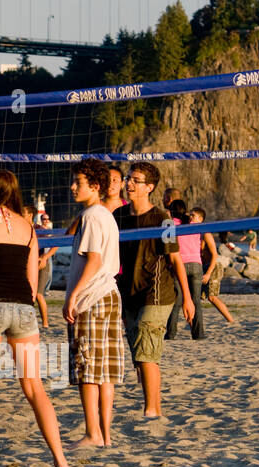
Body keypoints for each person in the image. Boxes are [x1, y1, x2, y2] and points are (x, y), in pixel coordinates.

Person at [0, 171, 70, 467]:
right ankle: (61, 460)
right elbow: (33, 287)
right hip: (23, 309)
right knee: (35, 388)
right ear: (14, 193)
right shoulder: (30, 229)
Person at [115, 162, 193, 419]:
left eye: (135, 180)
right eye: (128, 179)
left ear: (149, 187)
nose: (129, 184)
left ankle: (152, 410)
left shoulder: (163, 219)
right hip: (129, 292)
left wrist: (188, 299)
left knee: (146, 353)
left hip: (157, 293)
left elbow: (175, 260)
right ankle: (152, 405)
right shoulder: (118, 217)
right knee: (140, 356)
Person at [60, 159, 124, 448]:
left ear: (95, 187)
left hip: (93, 298)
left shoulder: (91, 216)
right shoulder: (106, 215)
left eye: (78, 182)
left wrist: (73, 294)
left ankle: (92, 433)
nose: (72, 187)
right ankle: (105, 436)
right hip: (109, 295)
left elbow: (94, 260)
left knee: (86, 368)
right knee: (105, 371)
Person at [166, 199, 203, 340]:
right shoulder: (194, 225)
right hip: (196, 263)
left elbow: (168, 247)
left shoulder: (170, 225)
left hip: (179, 264)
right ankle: (198, 334)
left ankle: (170, 333)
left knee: (177, 302)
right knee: (196, 301)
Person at [195, 208, 236, 324]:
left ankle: (231, 321)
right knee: (195, 296)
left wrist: (208, 273)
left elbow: (215, 254)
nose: (190, 218)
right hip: (202, 267)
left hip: (213, 267)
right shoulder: (192, 234)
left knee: (212, 297)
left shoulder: (205, 233)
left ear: (200, 219)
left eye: (193, 216)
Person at [34, 212, 54, 327]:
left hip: (43, 260)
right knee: (32, 294)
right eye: (44, 218)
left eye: (47, 218)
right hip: (32, 262)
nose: (46, 220)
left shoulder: (42, 230)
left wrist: (45, 257)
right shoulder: (28, 228)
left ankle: (45, 322)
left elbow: (55, 243)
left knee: (38, 294)